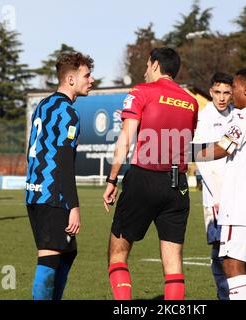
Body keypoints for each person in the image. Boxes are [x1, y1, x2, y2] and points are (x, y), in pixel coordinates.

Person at [102, 47, 198, 300]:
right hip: (178, 183)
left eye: (147, 65)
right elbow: (186, 142)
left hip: (144, 177)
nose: (145, 70)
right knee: (173, 262)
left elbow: (125, 139)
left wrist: (112, 180)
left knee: (118, 253)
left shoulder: (141, 92)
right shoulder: (190, 101)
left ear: (155, 65)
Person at [194, 68, 246, 300]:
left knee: (231, 265)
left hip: (240, 204)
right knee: (233, 262)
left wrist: (184, 152)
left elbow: (223, 147)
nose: (230, 95)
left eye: (234, 89)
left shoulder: (245, 115)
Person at [25, 52, 94, 300]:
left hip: (35, 192)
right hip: (52, 195)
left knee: (67, 252)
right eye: (87, 75)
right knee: (50, 258)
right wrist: (73, 206)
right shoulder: (68, 113)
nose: (91, 80)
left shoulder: (43, 105)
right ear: (71, 79)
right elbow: (64, 161)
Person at [193, 72, 235, 300]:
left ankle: (235, 290)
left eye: (226, 93)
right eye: (217, 92)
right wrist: (218, 194)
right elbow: (201, 158)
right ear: (210, 92)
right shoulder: (204, 117)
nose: (222, 97)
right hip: (216, 196)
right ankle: (224, 293)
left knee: (234, 246)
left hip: (235, 193)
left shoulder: (236, 115)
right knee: (219, 245)